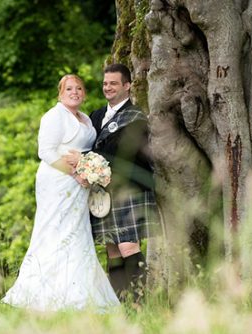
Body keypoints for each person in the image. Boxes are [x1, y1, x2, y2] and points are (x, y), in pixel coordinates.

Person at [2, 74, 120, 312]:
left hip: (80, 184)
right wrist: (77, 174)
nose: (74, 92)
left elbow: (89, 150)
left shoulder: (86, 118)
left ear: (84, 93)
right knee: (55, 230)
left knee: (77, 231)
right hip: (57, 180)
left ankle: (81, 291)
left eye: (78, 88)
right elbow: (45, 151)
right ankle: (40, 292)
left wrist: (89, 170)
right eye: (69, 89)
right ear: (60, 93)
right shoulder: (54, 116)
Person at [89, 64, 160, 302]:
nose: (108, 87)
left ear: (127, 86)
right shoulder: (96, 116)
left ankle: (139, 303)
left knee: (128, 246)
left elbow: (131, 155)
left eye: (113, 83)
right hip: (103, 194)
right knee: (112, 249)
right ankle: (120, 303)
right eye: (105, 83)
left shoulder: (135, 116)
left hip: (129, 190)